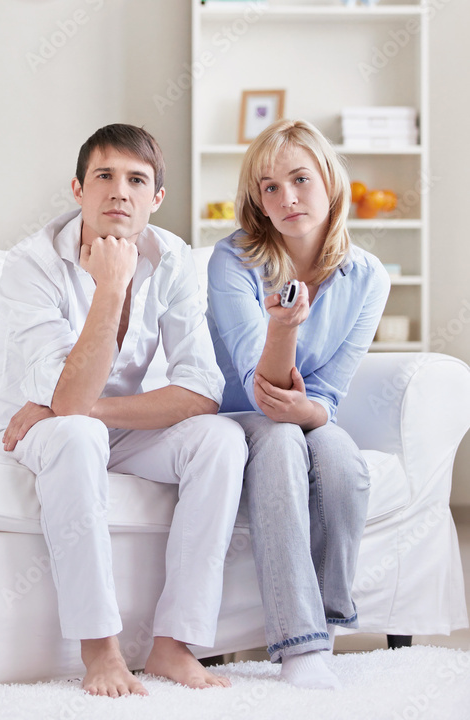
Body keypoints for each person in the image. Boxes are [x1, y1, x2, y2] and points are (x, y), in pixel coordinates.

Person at [0, 124, 248, 698]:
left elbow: (201, 389)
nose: (120, 191)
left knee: (220, 440)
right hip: (22, 434)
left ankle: (175, 644)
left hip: (95, 421)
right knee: (75, 437)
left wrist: (89, 409)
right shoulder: (33, 264)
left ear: (156, 199)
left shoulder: (171, 259)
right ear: (78, 189)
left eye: (136, 180)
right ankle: (101, 650)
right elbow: (68, 407)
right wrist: (112, 288)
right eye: (104, 176)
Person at [206, 119, 390, 691]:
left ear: (330, 181)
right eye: (269, 187)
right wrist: (283, 326)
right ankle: (299, 647)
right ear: (256, 200)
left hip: (307, 413)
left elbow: (330, 392)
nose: (286, 198)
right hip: (240, 414)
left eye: (300, 179)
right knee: (282, 439)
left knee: (342, 463)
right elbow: (256, 381)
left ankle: (328, 627)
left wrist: (312, 413)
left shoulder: (367, 276)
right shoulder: (231, 260)